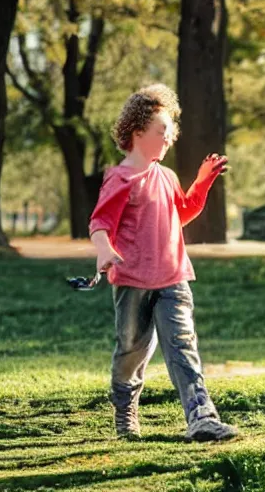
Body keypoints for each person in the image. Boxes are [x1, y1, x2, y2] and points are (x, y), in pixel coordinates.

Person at [89, 84, 237, 442]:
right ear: (138, 133)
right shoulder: (120, 178)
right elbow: (99, 223)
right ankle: (126, 409)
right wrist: (104, 250)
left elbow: (183, 212)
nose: (170, 138)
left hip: (173, 277)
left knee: (183, 345)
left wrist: (201, 183)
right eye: (162, 131)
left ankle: (202, 416)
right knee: (131, 351)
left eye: (171, 132)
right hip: (132, 281)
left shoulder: (167, 177)